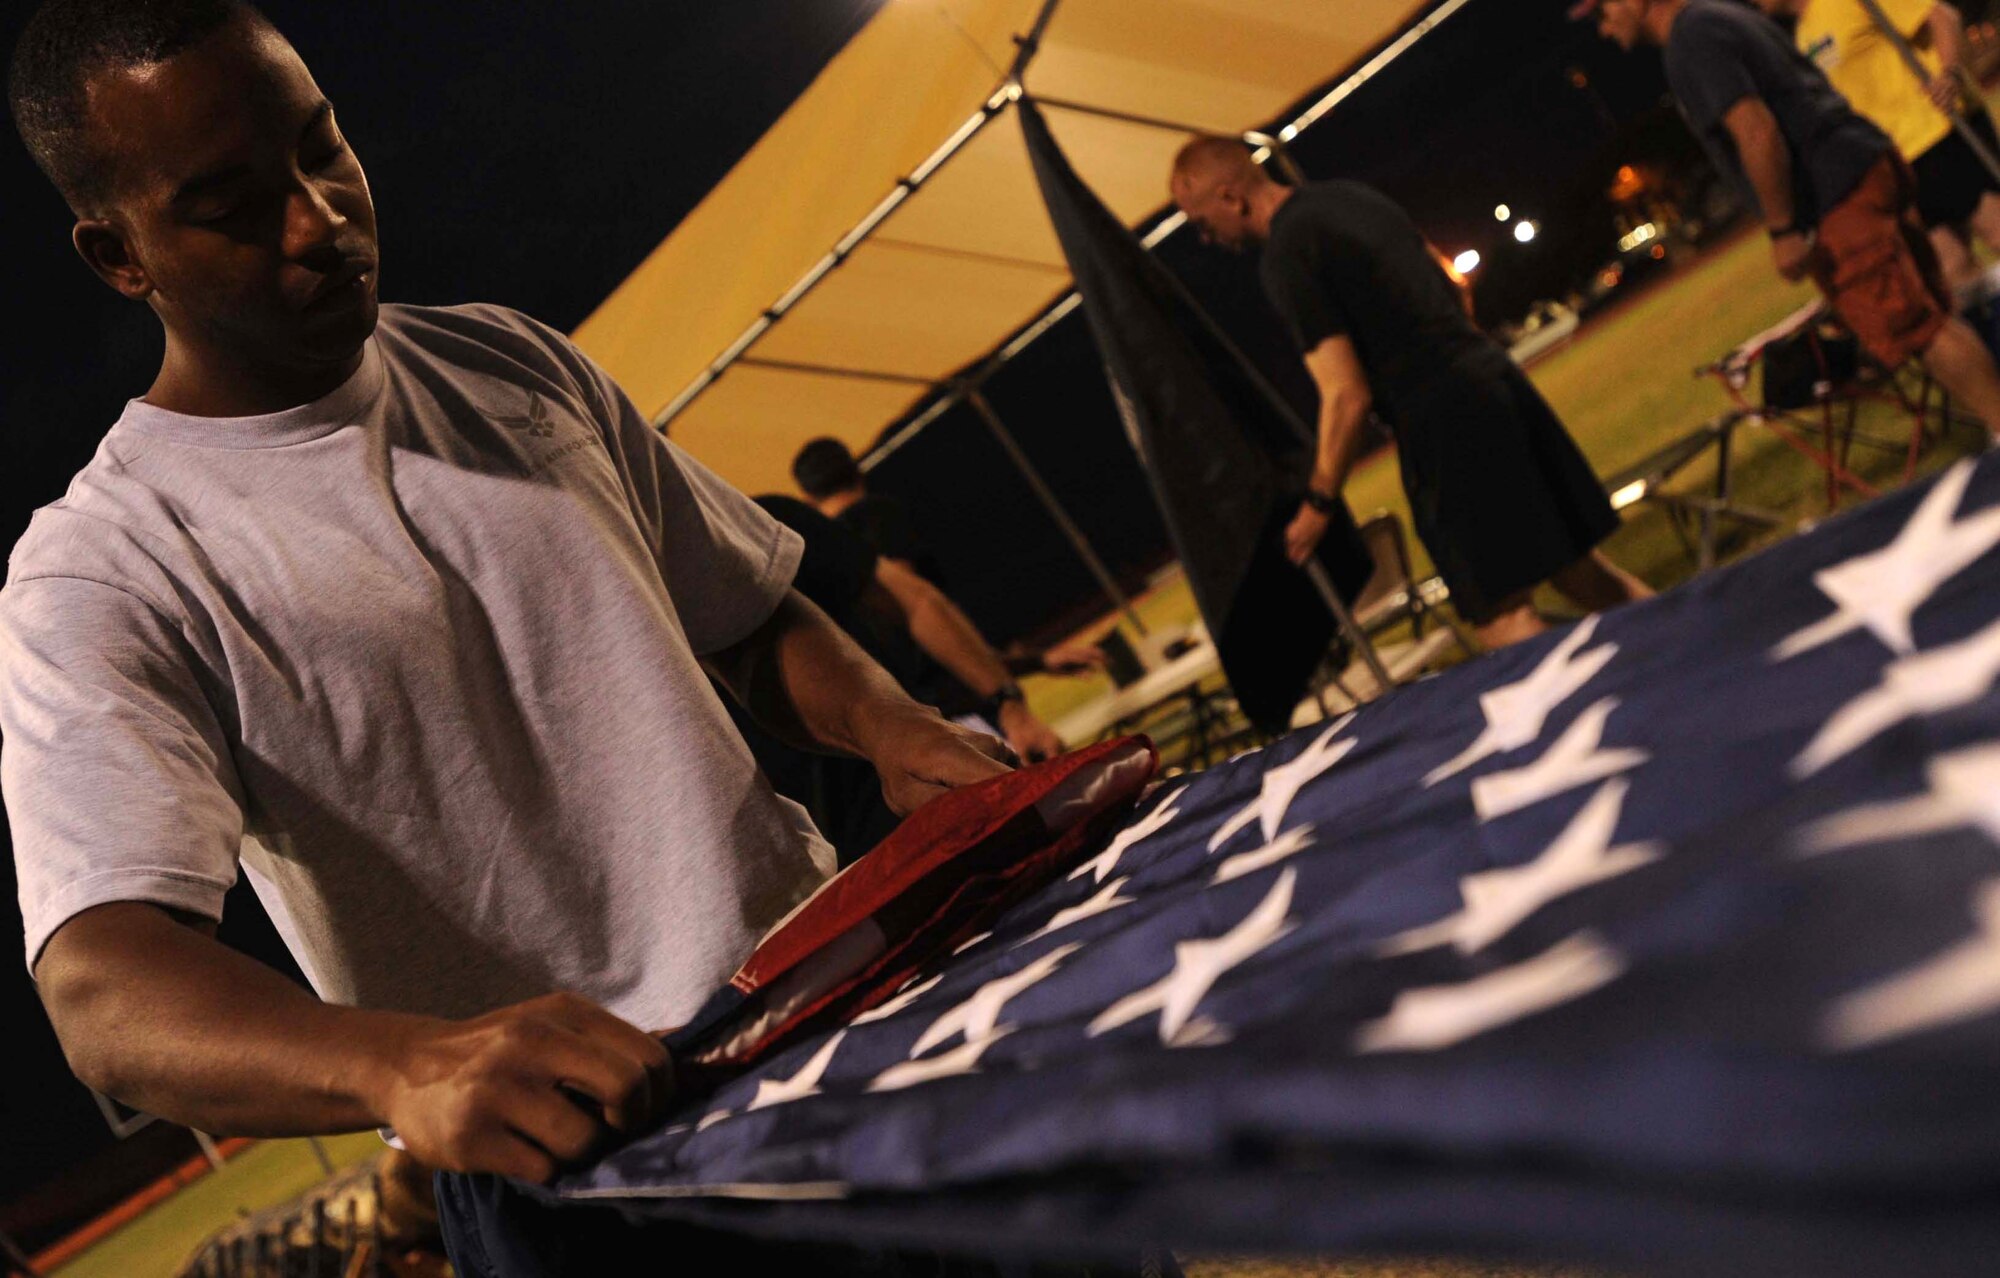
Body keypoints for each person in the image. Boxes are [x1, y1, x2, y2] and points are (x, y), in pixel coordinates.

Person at [1, 0, 1012, 1193]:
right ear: (118, 256)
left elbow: (747, 613)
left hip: (839, 994)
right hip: (587, 1164)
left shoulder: (509, 358)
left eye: (321, 148)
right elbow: (104, 987)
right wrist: (402, 1067)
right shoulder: (108, 570)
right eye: (229, 206)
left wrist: (892, 728)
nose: (317, 219)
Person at [1168, 139, 1654, 649]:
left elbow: (1345, 394)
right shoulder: (1350, 197)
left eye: (1201, 222)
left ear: (1231, 198)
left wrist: (1318, 503)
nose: (1205, 238)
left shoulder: (1286, 254)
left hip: (1443, 425)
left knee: (1502, 618)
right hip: (1493, 381)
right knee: (1586, 576)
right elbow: (1453, 284)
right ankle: (1696, 645)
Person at [1584, 0, 2000, 438]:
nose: (1604, 29)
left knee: (1919, 329)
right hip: (1867, 163)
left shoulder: (1692, 36)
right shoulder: (1723, 15)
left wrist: (1783, 230)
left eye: (1601, 13)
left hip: (1839, 195)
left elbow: (1756, 130)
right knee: (1938, 307)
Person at [792, 436, 1106, 680]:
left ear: (809, 498)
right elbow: (918, 614)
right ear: (857, 470)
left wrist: (1033, 663)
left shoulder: (823, 556)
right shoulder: (877, 516)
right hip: (952, 694)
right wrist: (1013, 679)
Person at [1750, 0, 2000, 293]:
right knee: (1953, 268)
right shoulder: (1804, 36)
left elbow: (1943, 16)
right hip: (1899, 159)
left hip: (1941, 132)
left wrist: (1951, 75)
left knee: (1996, 232)